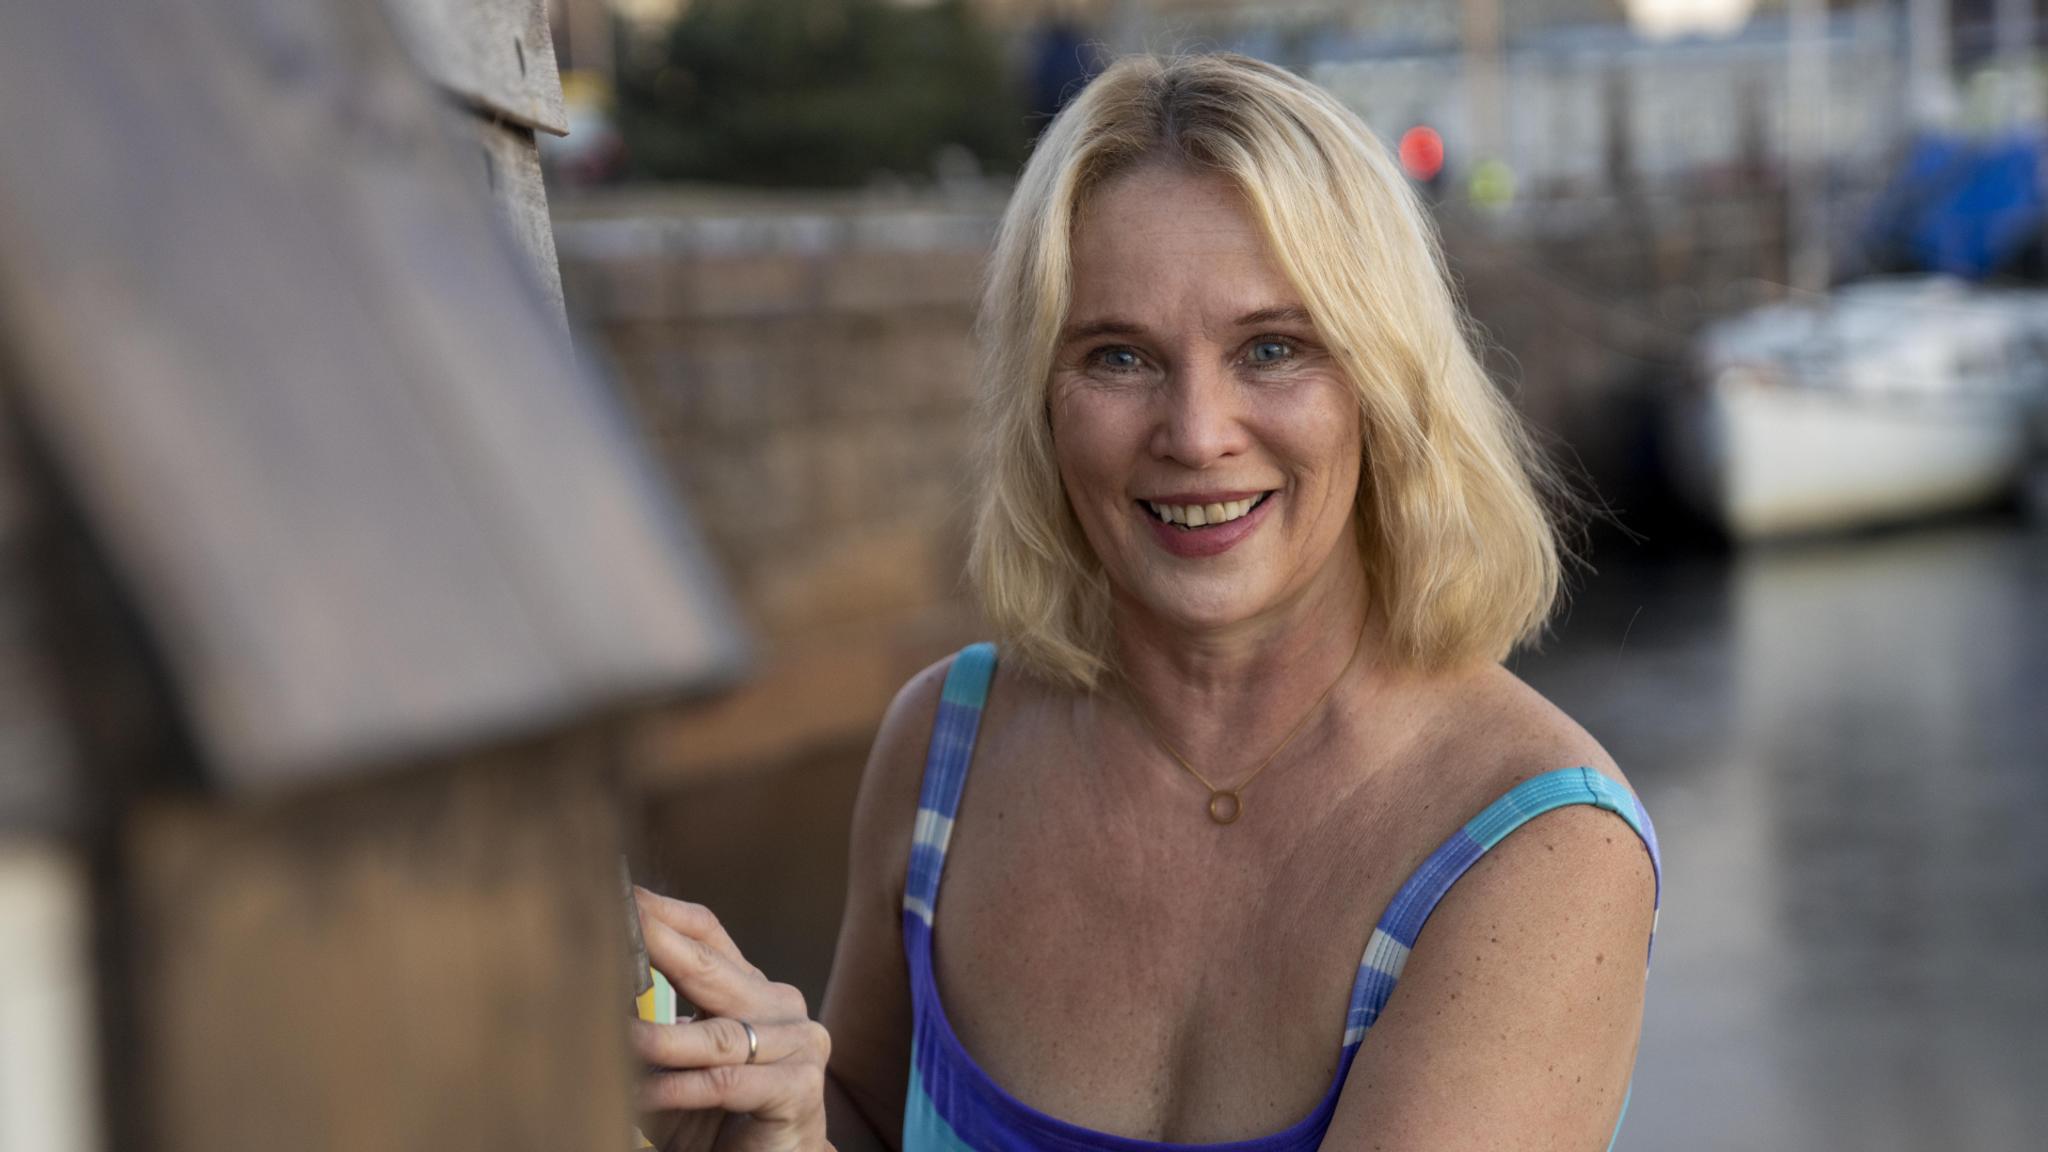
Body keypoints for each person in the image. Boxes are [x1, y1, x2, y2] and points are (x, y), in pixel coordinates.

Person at [629, 53, 1662, 1152]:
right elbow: (870, 1127)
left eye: (1273, 348)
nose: (1196, 432)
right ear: (1041, 401)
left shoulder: (1539, 851)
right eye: (1117, 356)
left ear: (1386, 385)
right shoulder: (942, 750)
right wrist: (772, 1123)